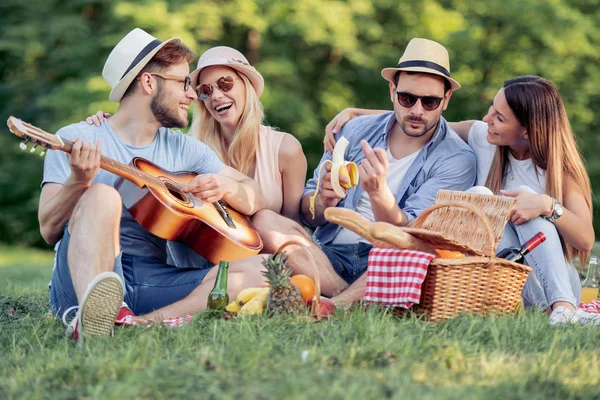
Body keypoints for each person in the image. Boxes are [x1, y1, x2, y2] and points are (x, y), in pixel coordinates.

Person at [42, 28, 268, 343]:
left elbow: (254, 193)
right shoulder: (77, 138)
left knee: (264, 269)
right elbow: (48, 229)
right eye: (183, 83)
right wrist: (79, 182)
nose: (193, 94)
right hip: (80, 281)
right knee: (103, 195)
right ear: (149, 82)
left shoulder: (184, 149)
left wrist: (226, 188)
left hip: (149, 279)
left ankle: (136, 324)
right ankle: (93, 313)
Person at [323, 76, 598, 325]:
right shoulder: (483, 138)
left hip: (549, 284)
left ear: (527, 130)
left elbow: (585, 239)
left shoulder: (560, 171)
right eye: (492, 108)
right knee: (479, 196)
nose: (487, 118)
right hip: (499, 285)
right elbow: (423, 118)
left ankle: (563, 309)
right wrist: (354, 114)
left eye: (499, 117)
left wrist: (547, 206)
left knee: (529, 198)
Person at [251, 38, 477, 305]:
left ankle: (336, 302)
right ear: (392, 90)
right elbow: (309, 215)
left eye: (429, 102)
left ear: (446, 99)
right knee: (265, 221)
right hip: (330, 255)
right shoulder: (355, 129)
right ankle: (349, 296)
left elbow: (413, 238)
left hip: (389, 261)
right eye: (407, 98)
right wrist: (323, 200)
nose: (416, 110)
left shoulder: (457, 159)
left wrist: (379, 195)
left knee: (414, 254)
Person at [87, 46, 307, 223]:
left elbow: (294, 222)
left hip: (277, 259)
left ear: (246, 86)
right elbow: (141, 135)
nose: (217, 96)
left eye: (225, 83)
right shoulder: (192, 149)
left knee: (266, 220)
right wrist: (115, 124)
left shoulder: (286, 149)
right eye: (205, 91)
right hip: (216, 256)